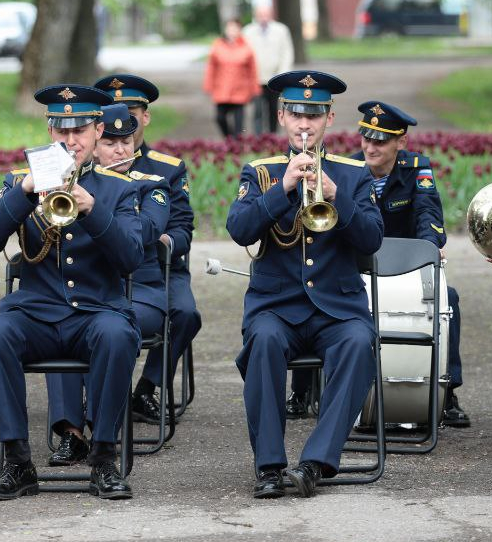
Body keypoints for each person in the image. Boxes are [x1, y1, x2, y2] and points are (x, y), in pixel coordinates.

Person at [0, 84, 144, 501]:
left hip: (95, 313)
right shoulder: (19, 182)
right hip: (37, 313)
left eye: (80, 131)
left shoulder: (119, 188)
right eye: (62, 131)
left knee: (118, 336)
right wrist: (25, 191)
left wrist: (92, 209)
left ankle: (103, 459)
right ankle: (17, 461)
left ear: (98, 131)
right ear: (50, 131)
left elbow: (131, 258)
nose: (71, 140)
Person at [228, 70, 384, 499]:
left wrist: (336, 196)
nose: (304, 124)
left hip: (338, 308)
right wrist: (283, 188)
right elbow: (239, 229)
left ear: (330, 119)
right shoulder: (260, 172)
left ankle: (315, 463)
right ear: (281, 116)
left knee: (357, 342)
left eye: (314, 115)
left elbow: (372, 239)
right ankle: (270, 466)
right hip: (276, 307)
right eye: (296, 113)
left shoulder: (353, 174)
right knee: (262, 342)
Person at [286, 100, 471, 428]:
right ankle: (302, 392)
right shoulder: (348, 168)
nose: (370, 147)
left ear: (401, 142)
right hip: (354, 265)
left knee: (449, 299)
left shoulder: (417, 169)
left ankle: (446, 391)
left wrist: (427, 247)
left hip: (404, 267)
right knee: (312, 295)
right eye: (366, 138)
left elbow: (429, 217)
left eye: (380, 141)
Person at [43, 103, 171, 464]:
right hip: (87, 287)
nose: (120, 150)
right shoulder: (67, 184)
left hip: (139, 288)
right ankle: (71, 432)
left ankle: (102, 427)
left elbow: (145, 233)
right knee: (60, 313)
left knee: (111, 328)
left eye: (127, 141)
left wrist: (102, 207)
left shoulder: (149, 187)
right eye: (112, 143)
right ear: (96, 147)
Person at [94, 73, 201, 423]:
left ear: (146, 116)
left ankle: (147, 388)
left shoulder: (166, 170)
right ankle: (100, 397)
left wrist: (165, 242)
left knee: (184, 313)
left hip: (159, 266)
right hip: (104, 266)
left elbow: (183, 224)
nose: (124, 118)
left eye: (133, 111)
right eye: (112, 110)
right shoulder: (83, 167)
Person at [242, 6, 294, 134]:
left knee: (273, 109)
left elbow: (287, 53)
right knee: (257, 110)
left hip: (274, 78)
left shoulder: (281, 30)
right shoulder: (247, 31)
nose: (263, 18)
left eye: (266, 15)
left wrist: (282, 74)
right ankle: (258, 139)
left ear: (271, 15)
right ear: (256, 15)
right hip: (256, 79)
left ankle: (272, 136)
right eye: (260, 15)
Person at [203, 18, 257, 138]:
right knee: (219, 118)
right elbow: (211, 67)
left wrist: (254, 89)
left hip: (240, 90)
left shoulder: (246, 47)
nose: (232, 31)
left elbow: (252, 71)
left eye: (235, 28)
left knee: (239, 125)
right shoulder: (217, 45)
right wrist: (208, 85)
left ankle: (237, 146)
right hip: (222, 89)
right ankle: (229, 139)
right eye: (230, 28)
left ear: (239, 30)